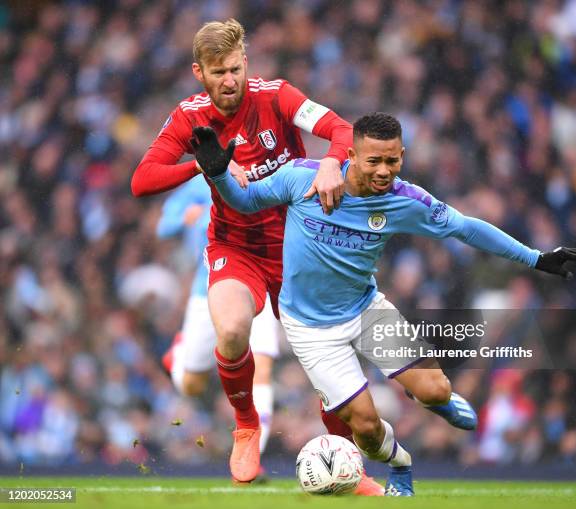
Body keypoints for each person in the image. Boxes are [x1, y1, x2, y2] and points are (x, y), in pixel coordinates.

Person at [193, 112, 576, 496]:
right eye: (374, 161)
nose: (385, 170)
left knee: (435, 391)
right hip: (312, 330)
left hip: (367, 311)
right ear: (349, 156)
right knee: (366, 428)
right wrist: (217, 173)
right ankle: (401, 462)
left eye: (393, 160)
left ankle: (438, 399)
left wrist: (537, 258)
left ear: (402, 155)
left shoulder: (405, 200)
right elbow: (245, 202)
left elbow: (467, 229)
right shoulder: (302, 179)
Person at [131, 18, 388, 492]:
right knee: (230, 330)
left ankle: (352, 470)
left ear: (245, 62)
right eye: (217, 72)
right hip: (236, 247)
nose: (229, 81)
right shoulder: (189, 117)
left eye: (235, 69)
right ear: (199, 73)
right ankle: (246, 425)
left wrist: (332, 161)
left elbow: (342, 129)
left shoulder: (276, 96)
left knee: (327, 365)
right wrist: (200, 166)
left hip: (298, 250)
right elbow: (142, 179)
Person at [155, 177, 280, 460]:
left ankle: (252, 456)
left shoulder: (270, 171)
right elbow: (163, 225)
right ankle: (179, 355)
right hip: (210, 288)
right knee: (191, 385)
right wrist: (186, 218)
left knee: (261, 368)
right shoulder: (201, 182)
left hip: (260, 283)